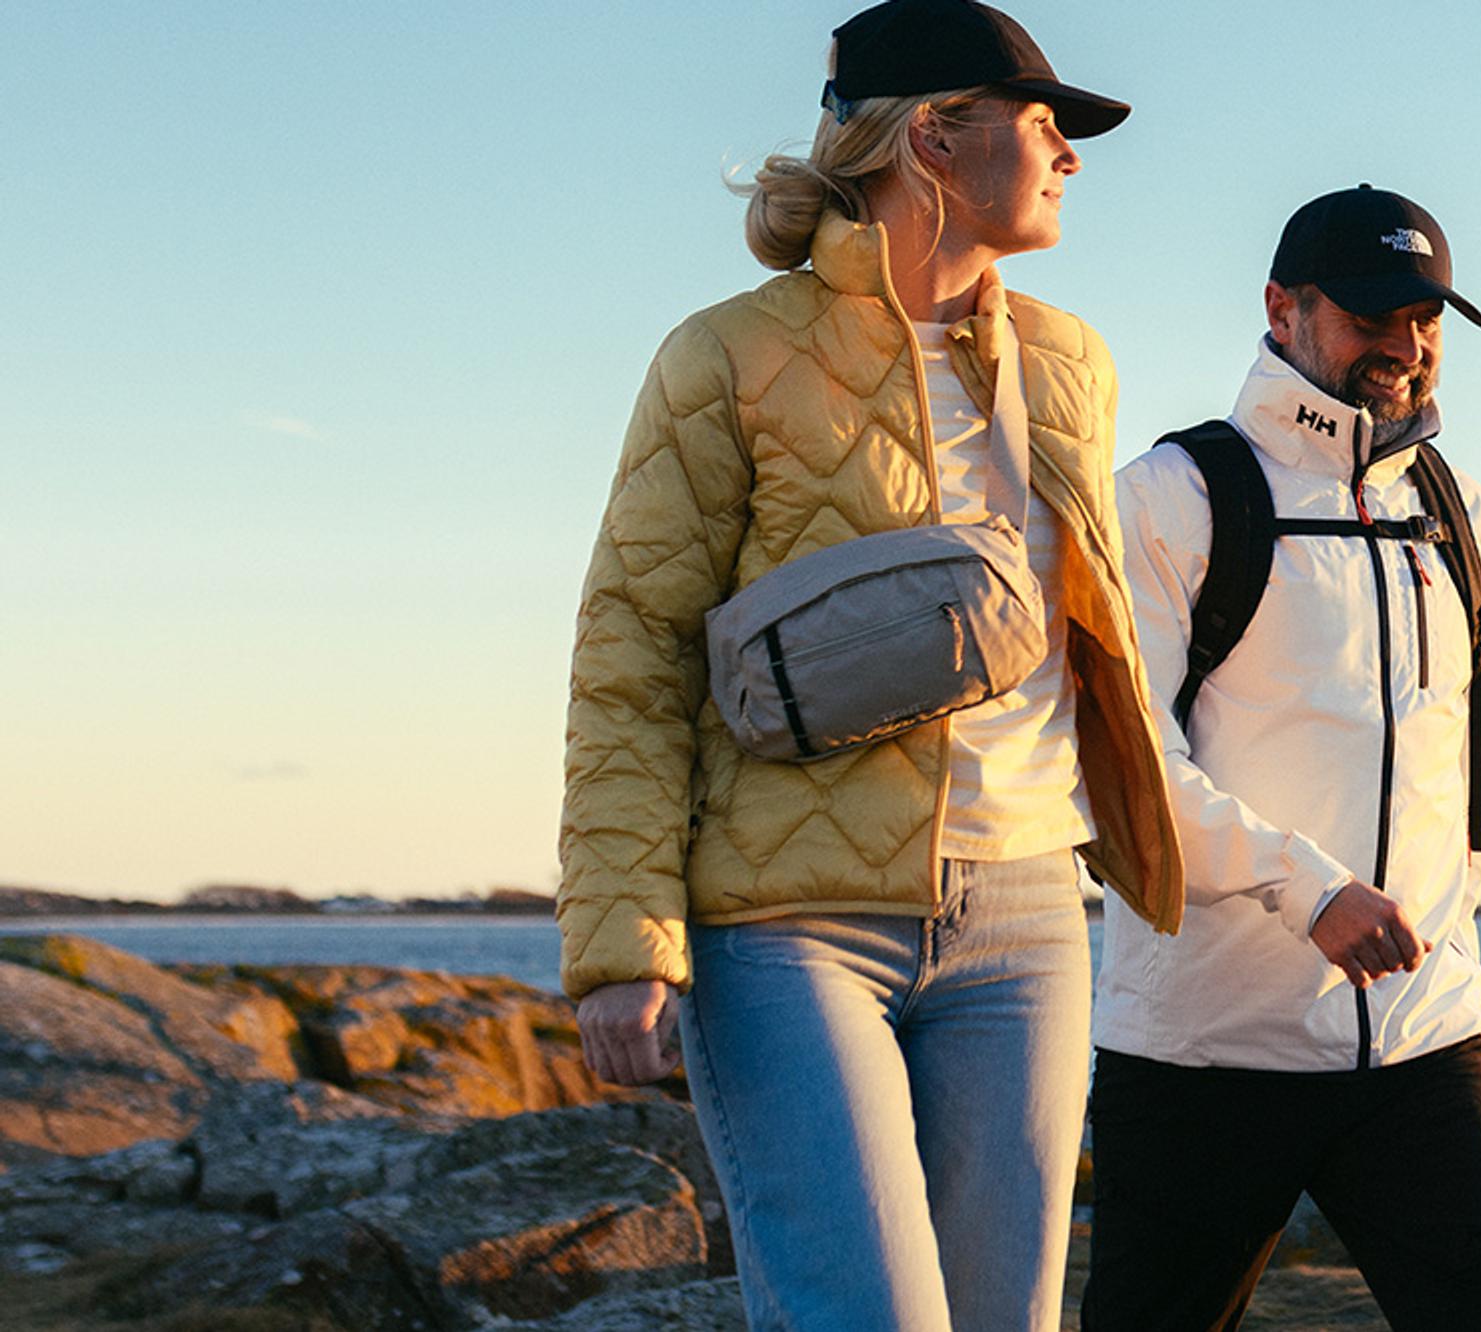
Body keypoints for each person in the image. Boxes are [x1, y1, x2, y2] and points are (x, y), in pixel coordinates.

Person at [554, 3, 1182, 1328]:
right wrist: (623, 939)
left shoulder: (1071, 362)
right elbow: (633, 645)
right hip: (787, 926)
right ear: (936, 139)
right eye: (1044, 123)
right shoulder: (727, 354)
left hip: (1024, 914)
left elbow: (1098, 648)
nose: (1071, 155)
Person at [1083, 185, 1481, 1331]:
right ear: (1281, 310)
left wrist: (1449, 923)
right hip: (1203, 1049)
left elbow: (1470, 764)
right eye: (1370, 315)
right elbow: (1117, 762)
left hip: (1424, 1039)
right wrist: (1312, 891)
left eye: (1427, 320)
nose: (1403, 345)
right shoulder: (1167, 498)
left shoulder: (1467, 516)